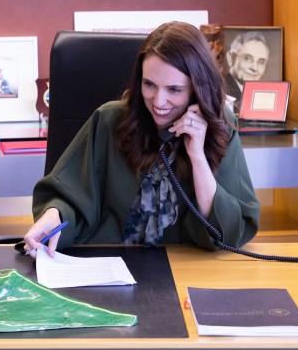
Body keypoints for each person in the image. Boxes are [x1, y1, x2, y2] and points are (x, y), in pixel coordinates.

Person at [24, 21, 260, 255]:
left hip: (186, 268)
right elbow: (69, 195)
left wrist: (197, 157)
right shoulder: (108, 120)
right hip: (107, 264)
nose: (158, 102)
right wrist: (53, 217)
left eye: (174, 90)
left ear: (197, 89)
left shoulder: (219, 126)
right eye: (149, 85)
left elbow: (230, 232)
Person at [224, 30, 270, 112]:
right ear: (230, 58)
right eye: (247, 58)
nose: (254, 68)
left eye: (261, 62)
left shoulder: (261, 97)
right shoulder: (221, 92)